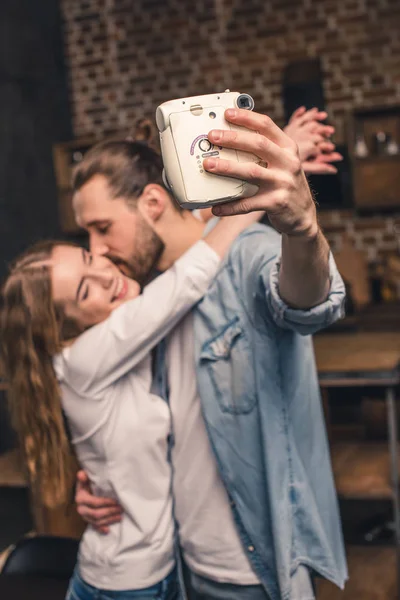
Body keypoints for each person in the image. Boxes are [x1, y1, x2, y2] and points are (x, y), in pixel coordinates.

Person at [72, 108, 347, 600]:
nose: (98, 250)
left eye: (101, 228)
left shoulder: (249, 253)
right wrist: (105, 481)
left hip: (251, 571)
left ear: (153, 202)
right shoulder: (143, 300)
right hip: (176, 566)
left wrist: (303, 231)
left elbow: (309, 301)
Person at [0, 211, 263, 600]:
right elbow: (183, 282)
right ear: (64, 330)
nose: (106, 276)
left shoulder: (112, 342)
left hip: (144, 570)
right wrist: (255, 200)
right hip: (128, 585)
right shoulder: (86, 359)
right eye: (84, 292)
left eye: (89, 260)